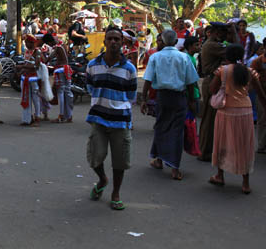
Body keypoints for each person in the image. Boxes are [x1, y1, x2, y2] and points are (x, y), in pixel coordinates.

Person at [85, 26, 137, 211]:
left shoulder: (129, 69)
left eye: (117, 39)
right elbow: (90, 87)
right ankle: (102, 179)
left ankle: (116, 193)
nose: (114, 42)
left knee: (120, 160)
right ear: (105, 42)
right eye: (110, 39)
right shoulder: (92, 66)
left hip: (120, 120)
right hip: (98, 118)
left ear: (122, 43)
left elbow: (131, 95)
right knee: (94, 157)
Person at [209, 44, 266, 194]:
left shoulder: (223, 71)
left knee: (222, 141)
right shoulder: (249, 71)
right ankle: (245, 182)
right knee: (244, 144)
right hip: (245, 111)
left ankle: (220, 175)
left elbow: (212, 89)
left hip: (226, 110)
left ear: (226, 56)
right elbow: (260, 93)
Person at [141, 29, 199, 180]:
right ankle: (174, 167)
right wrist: (192, 100)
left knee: (161, 127)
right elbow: (191, 82)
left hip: (162, 97)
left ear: (164, 41)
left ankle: (159, 160)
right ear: (174, 42)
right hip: (179, 97)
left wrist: (143, 99)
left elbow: (147, 80)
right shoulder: (184, 57)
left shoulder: (156, 57)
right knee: (177, 131)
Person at [197, 22, 228, 161]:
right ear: (217, 32)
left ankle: (207, 149)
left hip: (211, 81)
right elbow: (236, 50)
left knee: (210, 118)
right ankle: (205, 151)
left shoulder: (211, 43)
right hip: (212, 82)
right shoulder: (213, 45)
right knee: (209, 119)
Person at [42, 33, 74, 123]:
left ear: (48, 41)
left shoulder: (57, 47)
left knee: (60, 92)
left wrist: (42, 57)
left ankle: (61, 115)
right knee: (68, 92)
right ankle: (69, 115)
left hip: (60, 70)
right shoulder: (62, 44)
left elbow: (48, 59)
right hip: (67, 69)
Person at [19, 35, 42, 127]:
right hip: (25, 77)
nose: (26, 44)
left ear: (31, 43)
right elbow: (26, 63)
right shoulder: (27, 51)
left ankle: (37, 118)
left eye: (27, 42)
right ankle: (27, 119)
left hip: (33, 78)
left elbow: (36, 66)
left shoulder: (37, 52)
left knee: (36, 99)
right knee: (25, 98)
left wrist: (22, 67)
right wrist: (20, 71)